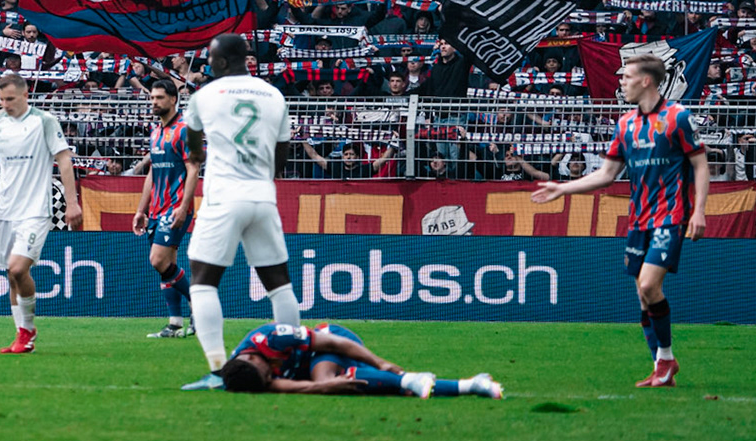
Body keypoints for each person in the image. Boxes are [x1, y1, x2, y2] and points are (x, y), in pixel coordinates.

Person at [532, 54, 709, 388]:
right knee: (643, 295)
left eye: (627, 77)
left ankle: (666, 359)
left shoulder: (677, 117)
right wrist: (562, 188)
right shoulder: (626, 123)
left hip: (670, 215)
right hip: (638, 219)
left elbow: (700, 165)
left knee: (649, 286)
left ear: (646, 81)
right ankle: (661, 367)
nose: (621, 83)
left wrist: (699, 210)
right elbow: (607, 174)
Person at [179, 33, 298, 392]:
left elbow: (193, 148)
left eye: (210, 58)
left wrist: (201, 155)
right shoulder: (274, 95)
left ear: (221, 61)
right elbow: (281, 156)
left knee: (203, 281)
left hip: (224, 196)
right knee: (279, 283)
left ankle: (218, 370)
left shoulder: (204, 96)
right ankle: (291, 365)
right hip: (262, 195)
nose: (207, 63)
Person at [0, 72, 81, 354]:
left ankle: (28, 330)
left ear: (25, 95)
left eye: (10, 99)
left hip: (36, 210)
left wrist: (72, 203)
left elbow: (64, 160)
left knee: (18, 268)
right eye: (1, 99)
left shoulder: (44, 121)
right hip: (6, 209)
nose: (5, 104)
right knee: (11, 276)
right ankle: (21, 336)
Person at [217, 322, 504, 398]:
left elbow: (333, 342)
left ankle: (406, 379)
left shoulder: (272, 337)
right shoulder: (245, 373)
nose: (273, 376)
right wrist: (321, 388)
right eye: (268, 380)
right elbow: (275, 386)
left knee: (330, 380)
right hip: (313, 367)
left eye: (268, 373)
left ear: (253, 357)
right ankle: (472, 385)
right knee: (378, 386)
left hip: (333, 344)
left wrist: (380, 363)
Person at [131, 76, 196, 339]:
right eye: (152, 98)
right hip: (156, 210)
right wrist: (141, 209)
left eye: (159, 98)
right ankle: (175, 322)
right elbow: (152, 173)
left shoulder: (185, 130)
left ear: (173, 99)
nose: (154, 102)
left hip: (175, 207)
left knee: (157, 260)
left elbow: (194, 169)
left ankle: (200, 305)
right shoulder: (156, 132)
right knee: (166, 264)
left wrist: (184, 206)